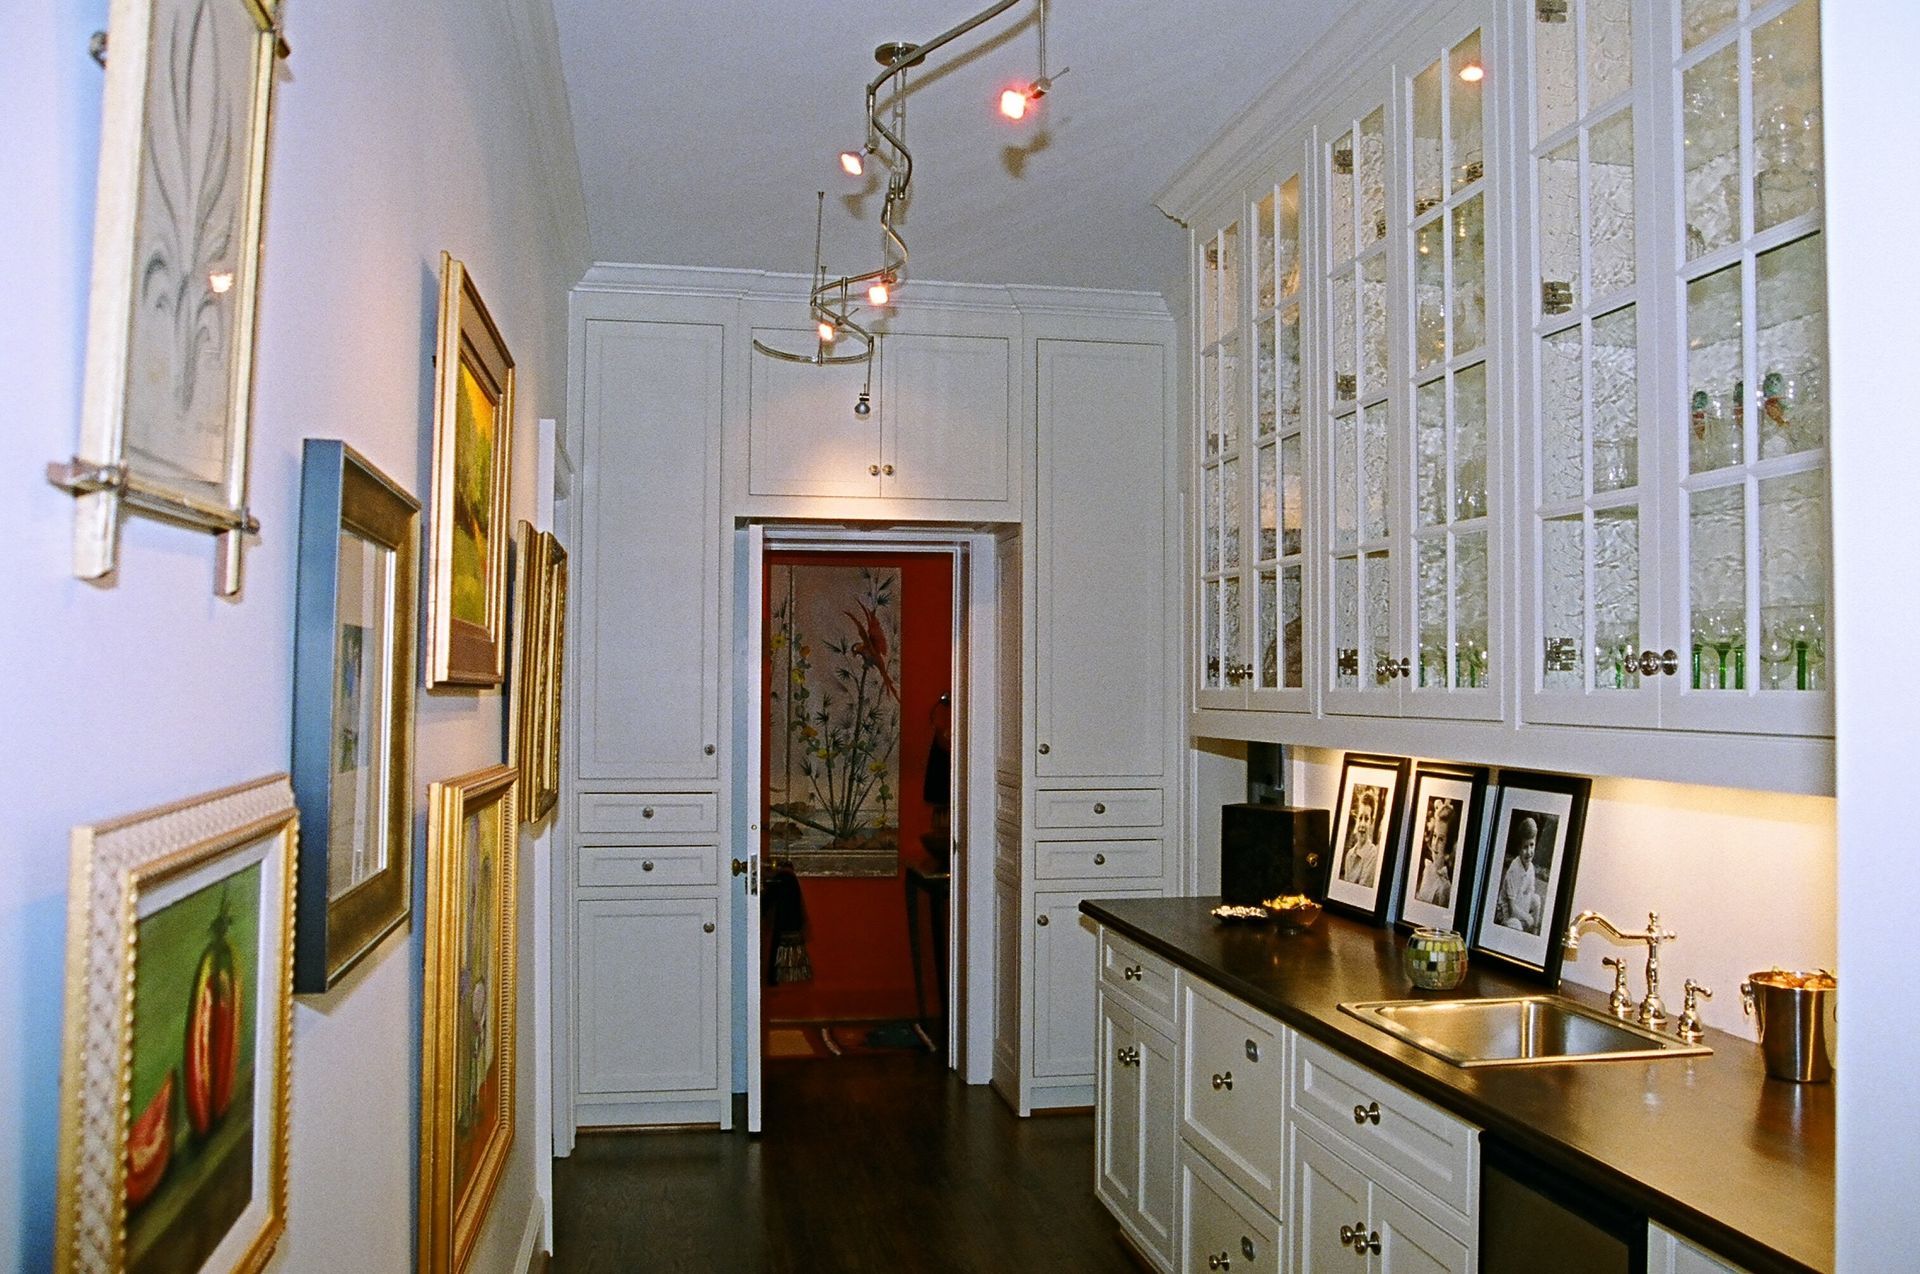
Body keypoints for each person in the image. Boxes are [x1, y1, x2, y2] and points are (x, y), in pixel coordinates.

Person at [1494, 814, 1543, 934]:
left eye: (1532, 845)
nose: (1529, 851)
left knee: (1536, 899)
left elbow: (1530, 892)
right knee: (1516, 924)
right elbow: (1511, 908)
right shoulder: (1514, 870)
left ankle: (1533, 931)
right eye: (1525, 847)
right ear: (1518, 849)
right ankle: (1518, 932)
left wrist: (1527, 915)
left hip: (1521, 905)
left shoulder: (1530, 867)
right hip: (1507, 914)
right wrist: (1526, 917)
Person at [1414, 798, 1456, 907]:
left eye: (1441, 839)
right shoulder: (1428, 869)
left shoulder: (1445, 887)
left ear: (1448, 846)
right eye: (1434, 836)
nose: (1435, 844)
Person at [1340, 786, 1381, 888]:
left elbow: (1363, 889)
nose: (1362, 824)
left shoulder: (1373, 854)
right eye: (1360, 818)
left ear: (1371, 822)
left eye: (1366, 819)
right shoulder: (1349, 855)